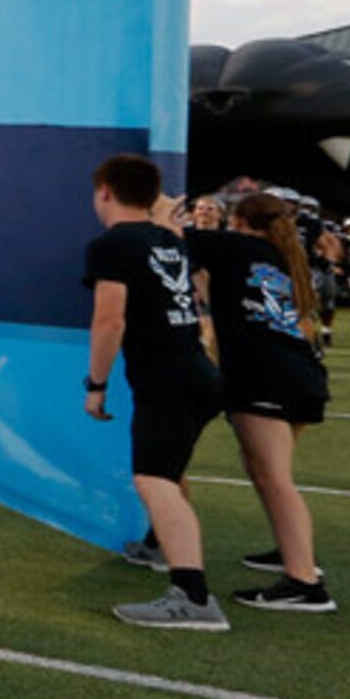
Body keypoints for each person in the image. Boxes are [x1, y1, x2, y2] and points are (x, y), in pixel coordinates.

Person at [82, 153, 228, 630]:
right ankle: (158, 543)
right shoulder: (168, 240)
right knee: (169, 466)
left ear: (104, 191)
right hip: (198, 373)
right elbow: (162, 222)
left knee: (154, 480)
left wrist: (96, 385)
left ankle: (193, 595)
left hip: (168, 379)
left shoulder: (112, 245)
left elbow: (109, 319)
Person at [184, 191, 334, 613]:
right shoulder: (282, 254)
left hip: (265, 375)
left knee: (273, 479)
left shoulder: (237, 245)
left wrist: (164, 208)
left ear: (241, 222)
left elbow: (172, 238)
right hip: (300, 373)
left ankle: (304, 581)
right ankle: (294, 552)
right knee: (270, 473)